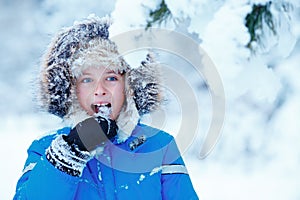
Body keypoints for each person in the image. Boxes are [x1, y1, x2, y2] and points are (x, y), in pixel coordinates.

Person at [14, 14, 199, 200]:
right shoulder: (45, 148)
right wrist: (68, 155)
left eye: (111, 78)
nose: (99, 90)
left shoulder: (159, 146)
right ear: (72, 90)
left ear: (130, 86)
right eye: (87, 80)